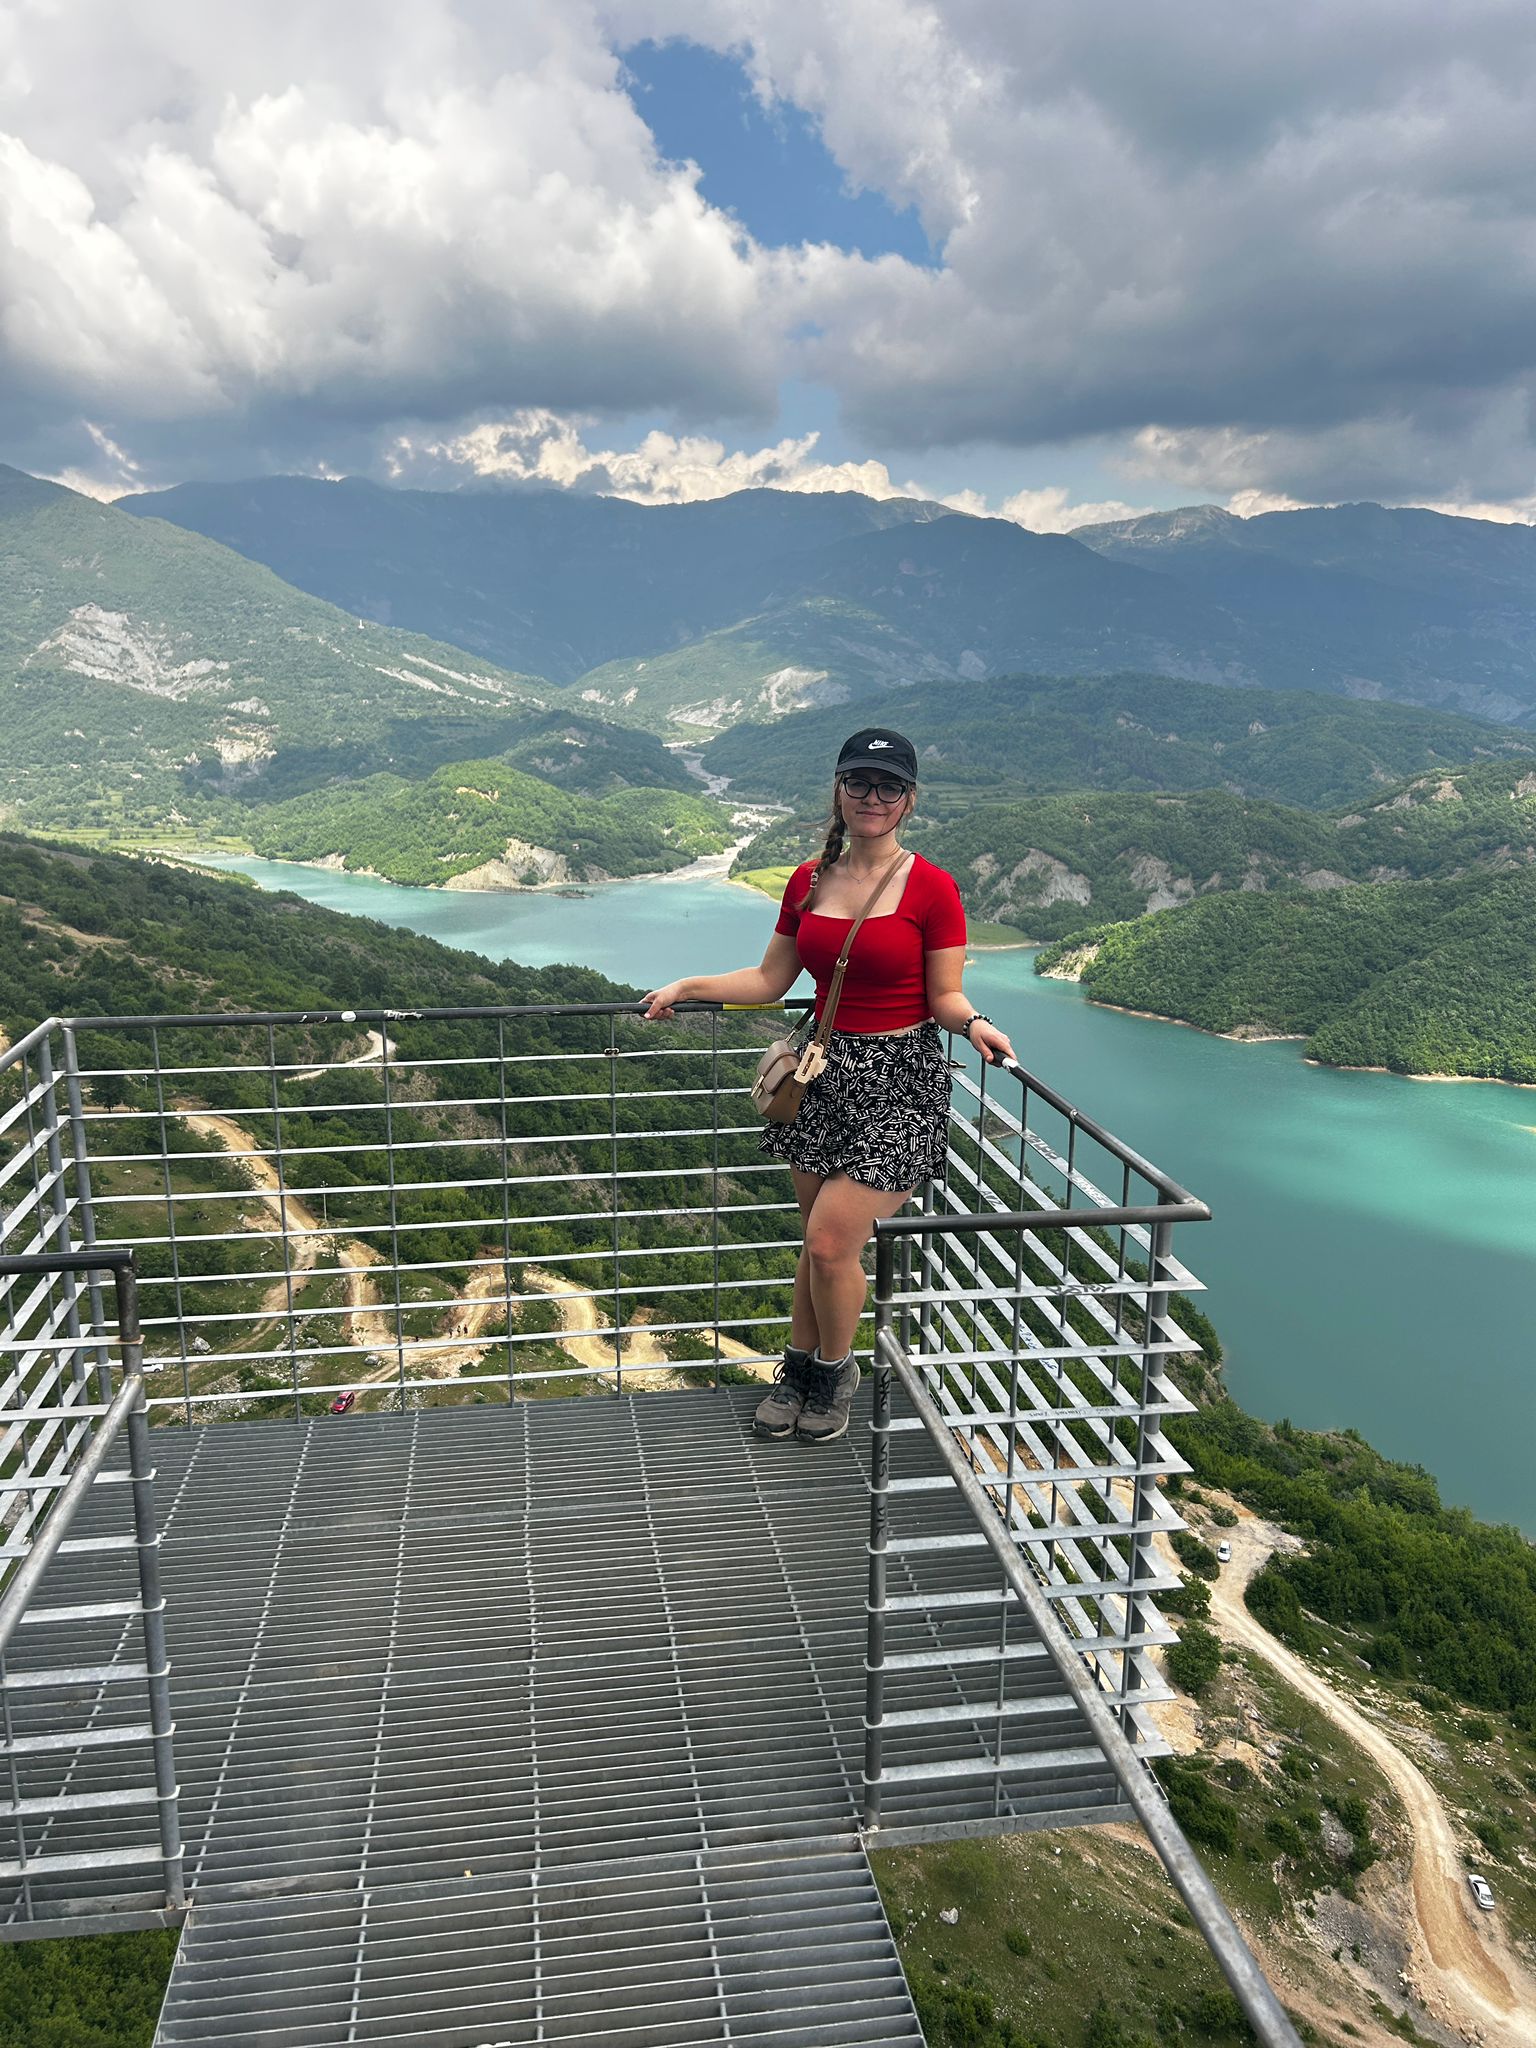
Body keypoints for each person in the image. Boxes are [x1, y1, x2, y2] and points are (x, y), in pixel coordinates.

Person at [642, 727, 1015, 1445]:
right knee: (815, 1242)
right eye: (859, 783)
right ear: (839, 791)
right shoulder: (807, 879)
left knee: (830, 1244)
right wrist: (687, 984)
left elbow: (945, 995)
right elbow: (771, 979)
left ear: (908, 800)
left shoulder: (932, 888)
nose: (872, 798)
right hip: (820, 1073)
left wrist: (977, 1024)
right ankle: (797, 1369)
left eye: (889, 787)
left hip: (900, 1081)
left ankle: (836, 1370)